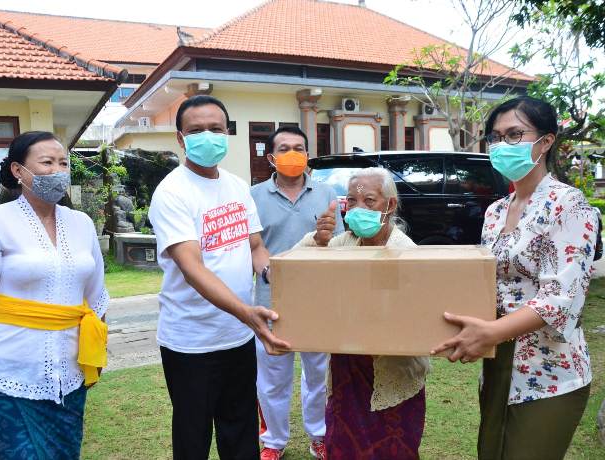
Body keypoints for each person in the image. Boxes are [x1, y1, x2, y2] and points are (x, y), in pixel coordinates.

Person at [432, 96, 599, 460]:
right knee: (491, 452)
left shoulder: (569, 205)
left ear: (546, 141)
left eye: (514, 134)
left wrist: (490, 332)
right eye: (495, 137)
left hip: (548, 369)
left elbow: (562, 296)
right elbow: (485, 280)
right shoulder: (495, 212)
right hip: (498, 359)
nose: (501, 146)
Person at [148, 95, 290, 460]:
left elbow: (256, 246)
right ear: (181, 139)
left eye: (215, 129)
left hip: (238, 338)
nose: (207, 136)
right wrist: (247, 313)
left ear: (227, 133)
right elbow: (192, 268)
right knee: (193, 438)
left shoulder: (237, 185)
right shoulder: (172, 193)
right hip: (191, 342)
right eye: (196, 130)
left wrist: (273, 273)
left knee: (240, 431)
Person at [0, 131, 109, 459]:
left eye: (63, 163)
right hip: (7, 376)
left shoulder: (82, 223)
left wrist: (96, 355)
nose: (57, 170)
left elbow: (97, 298)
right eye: (47, 162)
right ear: (18, 170)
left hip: (71, 376)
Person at [296, 167, 430, 459]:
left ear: (390, 205)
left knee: (393, 448)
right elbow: (296, 266)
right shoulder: (345, 243)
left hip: (392, 370)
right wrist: (318, 241)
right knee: (344, 444)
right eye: (352, 202)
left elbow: (418, 315)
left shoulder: (406, 252)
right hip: (348, 367)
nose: (358, 209)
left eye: (369, 200)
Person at [251, 126, 344, 460]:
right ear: (271, 158)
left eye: (299, 148)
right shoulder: (254, 196)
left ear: (308, 155)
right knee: (272, 378)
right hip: (270, 302)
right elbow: (253, 247)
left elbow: (340, 244)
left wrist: (324, 241)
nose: (293, 154)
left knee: (318, 375)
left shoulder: (326, 194)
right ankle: (273, 442)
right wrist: (266, 271)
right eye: (285, 148)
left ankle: (319, 435)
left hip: (317, 303)